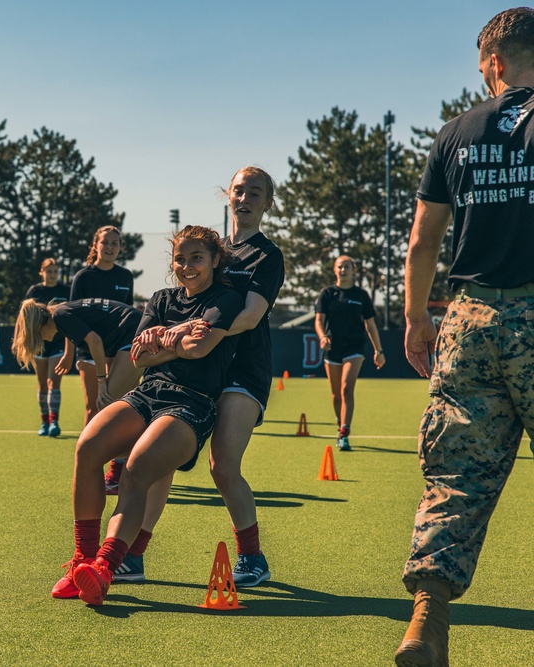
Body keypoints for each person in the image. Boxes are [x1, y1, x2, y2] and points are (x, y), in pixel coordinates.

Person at [396, 9, 534, 666]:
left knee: (454, 477)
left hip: (471, 317)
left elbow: (423, 241)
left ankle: (428, 620)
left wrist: (416, 316)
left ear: (495, 62)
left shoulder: (456, 133)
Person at [50, 225, 243, 605]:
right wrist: (177, 338)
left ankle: (105, 568)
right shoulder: (160, 298)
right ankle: (82, 562)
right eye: (180, 259)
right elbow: (139, 357)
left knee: (136, 468)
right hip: (147, 392)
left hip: (192, 402)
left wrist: (165, 339)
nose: (186, 266)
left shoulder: (226, 298)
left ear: (215, 260)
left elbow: (200, 347)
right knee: (87, 447)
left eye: (196, 258)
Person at [112, 167, 285, 588]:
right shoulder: (210, 250)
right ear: (228, 196)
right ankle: (132, 558)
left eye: (255, 193)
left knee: (222, 466)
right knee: (158, 461)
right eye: (238, 190)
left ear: (268, 203)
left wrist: (190, 335)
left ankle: (252, 557)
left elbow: (249, 316)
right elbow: (182, 305)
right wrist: (174, 338)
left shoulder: (268, 256)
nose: (244, 198)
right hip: (195, 372)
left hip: (242, 373)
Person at [65, 225, 135, 492]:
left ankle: (115, 474)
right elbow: (71, 318)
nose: (109, 247)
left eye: (115, 243)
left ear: (119, 247)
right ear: (95, 245)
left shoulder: (125, 276)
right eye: (105, 242)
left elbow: (128, 317)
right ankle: (87, 468)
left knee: (119, 411)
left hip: (118, 352)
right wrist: (70, 353)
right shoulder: (83, 277)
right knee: (94, 408)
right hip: (89, 353)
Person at [12, 298, 143, 411]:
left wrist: (102, 382)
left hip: (134, 333)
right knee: (128, 403)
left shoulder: (60, 316)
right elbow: (105, 339)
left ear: (39, 326)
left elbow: (95, 341)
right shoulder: (63, 316)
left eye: (38, 336)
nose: (43, 340)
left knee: (106, 403)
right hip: (131, 334)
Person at [314, 255, 385, 451]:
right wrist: (322, 337)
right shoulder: (327, 294)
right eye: (340, 266)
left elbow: (370, 324)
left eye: (347, 266)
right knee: (336, 396)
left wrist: (378, 350)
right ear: (335, 270)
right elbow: (319, 321)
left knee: (347, 389)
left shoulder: (361, 295)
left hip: (355, 348)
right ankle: (340, 424)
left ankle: (344, 432)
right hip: (332, 349)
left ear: (353, 271)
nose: (343, 270)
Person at [23, 258, 70, 437]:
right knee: (42, 383)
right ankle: (44, 422)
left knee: (54, 381)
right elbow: (26, 317)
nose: (52, 275)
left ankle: (54, 421)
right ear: (42, 272)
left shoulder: (65, 291)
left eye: (55, 271)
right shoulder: (35, 291)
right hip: (40, 344)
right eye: (49, 271)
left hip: (58, 342)